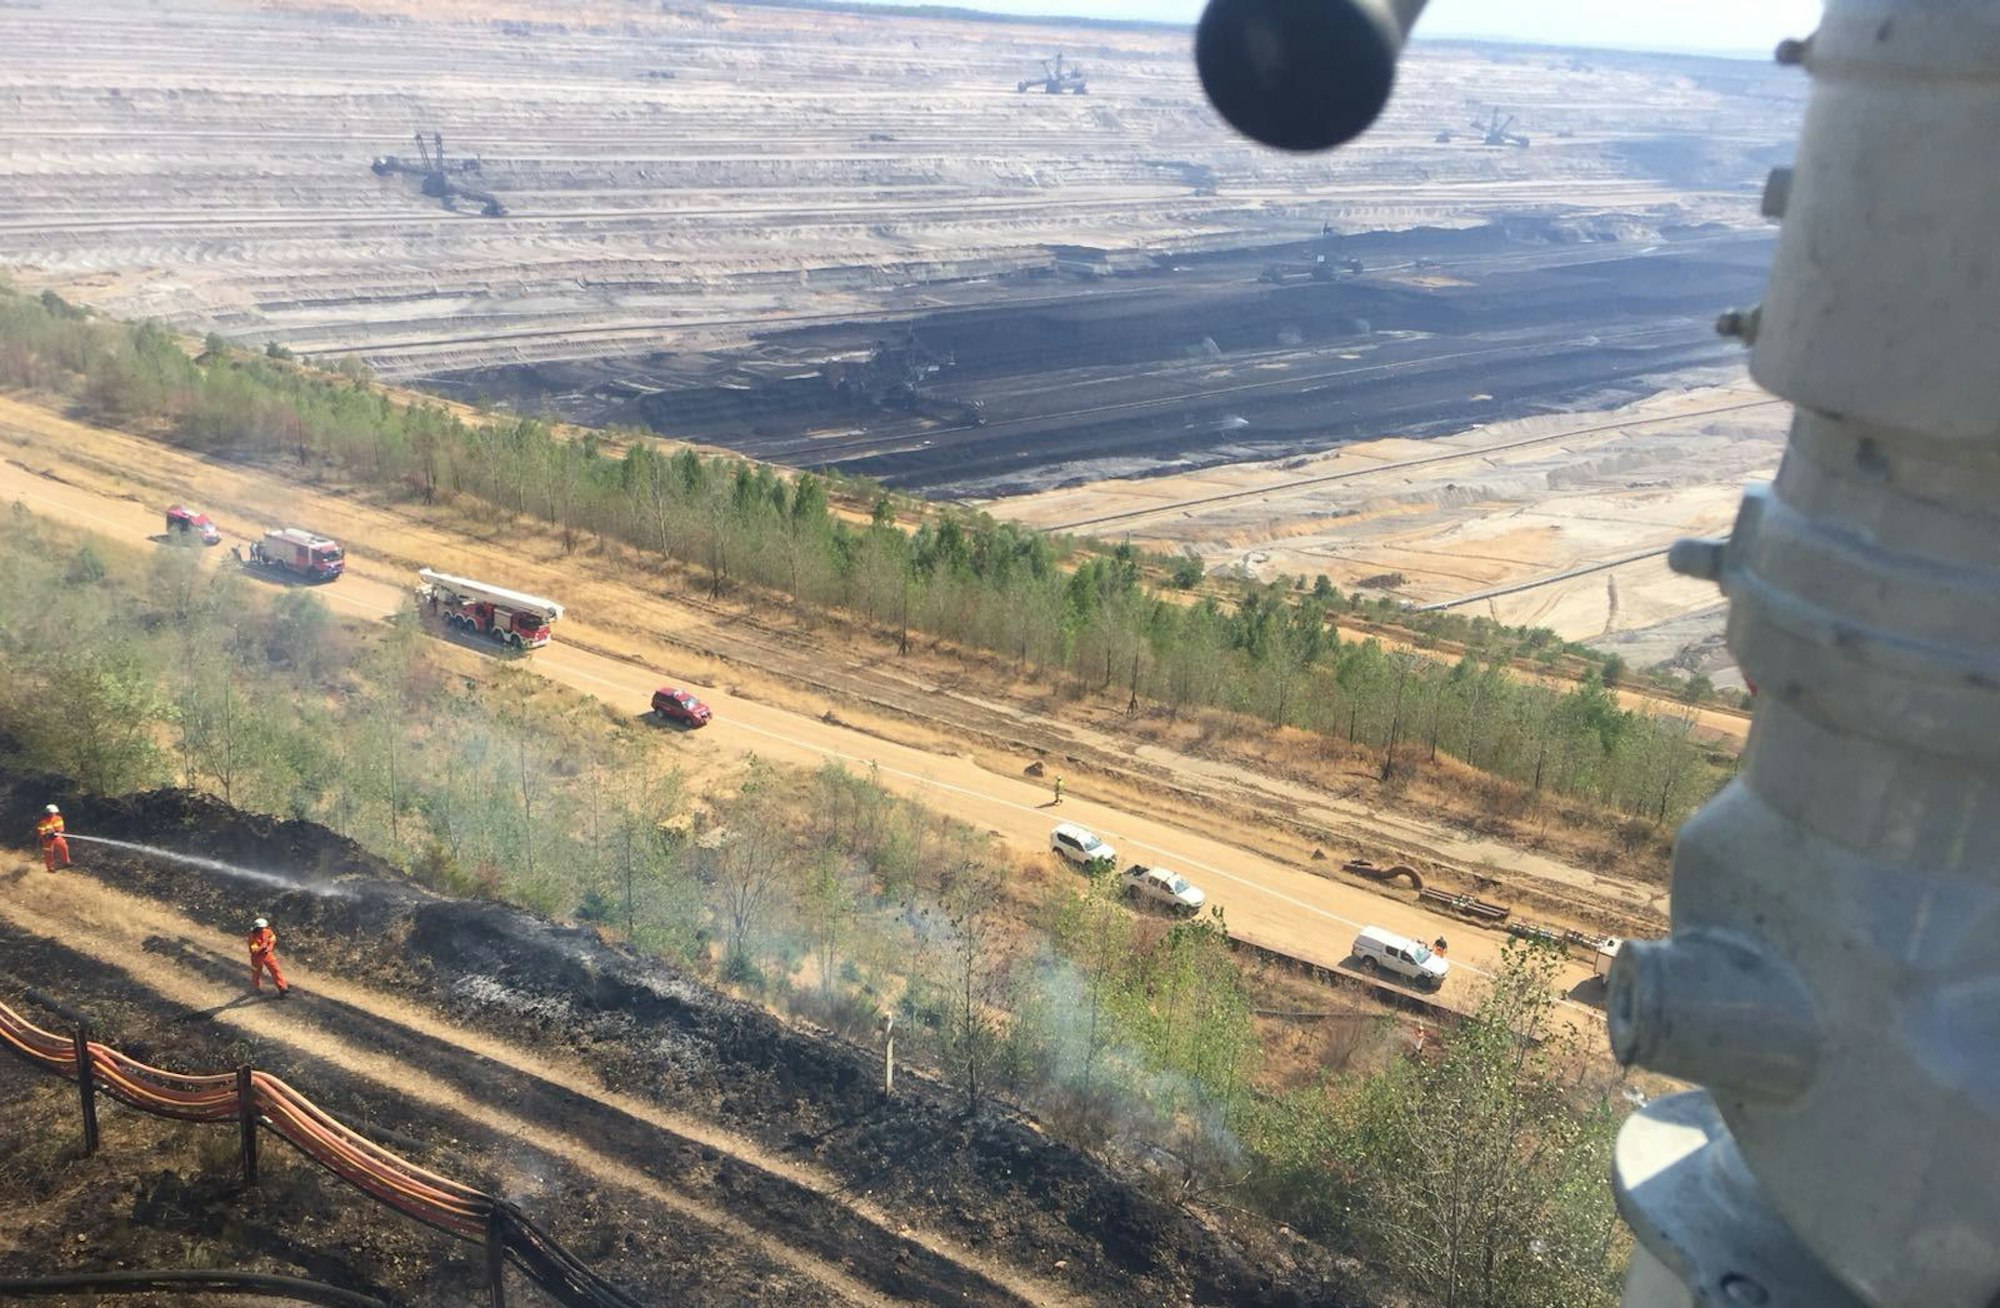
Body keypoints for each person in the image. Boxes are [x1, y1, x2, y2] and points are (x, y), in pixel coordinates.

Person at [247, 917, 291, 999]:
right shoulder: (252, 936)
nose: (263, 929)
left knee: (276, 970)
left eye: (264, 927)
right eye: (261, 928)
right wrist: (262, 947)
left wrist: (270, 947)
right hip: (256, 958)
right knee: (256, 973)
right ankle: (255, 988)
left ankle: (282, 988)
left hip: (267, 955)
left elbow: (272, 938)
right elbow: (254, 950)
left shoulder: (267, 931)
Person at [35, 804, 70, 872]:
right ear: (47, 813)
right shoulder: (43, 821)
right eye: (50, 813)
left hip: (56, 836)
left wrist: (57, 831)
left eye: (53, 813)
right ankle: (50, 867)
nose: (52, 814)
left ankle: (66, 862)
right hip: (47, 839)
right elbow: (40, 832)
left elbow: (61, 828)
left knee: (64, 846)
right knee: (48, 852)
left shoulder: (58, 819)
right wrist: (46, 834)